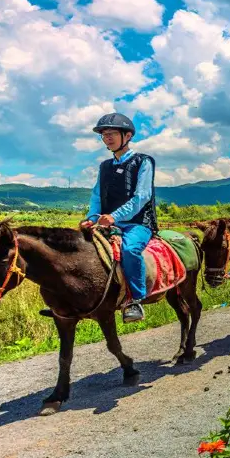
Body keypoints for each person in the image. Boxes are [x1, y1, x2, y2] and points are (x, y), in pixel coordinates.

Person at [82, 113, 156, 323]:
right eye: (104, 135)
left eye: (111, 133)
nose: (107, 138)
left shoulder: (143, 161)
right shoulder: (104, 166)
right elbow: (96, 195)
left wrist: (114, 217)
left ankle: (135, 300)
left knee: (130, 250)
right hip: (106, 222)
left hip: (138, 223)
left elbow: (142, 196)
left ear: (128, 135)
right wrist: (92, 218)